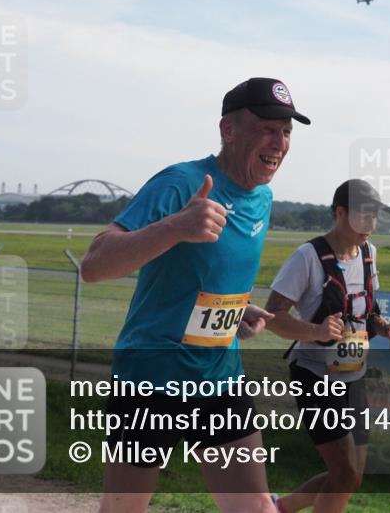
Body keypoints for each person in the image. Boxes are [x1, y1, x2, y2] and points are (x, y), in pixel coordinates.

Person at [80, 77, 310, 513]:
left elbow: (204, 278)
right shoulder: (181, 183)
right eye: (267, 128)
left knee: (256, 508)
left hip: (220, 375)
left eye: (286, 131)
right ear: (228, 130)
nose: (278, 142)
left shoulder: (262, 198)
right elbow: (93, 265)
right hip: (150, 380)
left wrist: (236, 311)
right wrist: (175, 227)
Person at [265, 179, 390, 513]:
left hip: (352, 376)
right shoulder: (308, 256)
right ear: (340, 213)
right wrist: (315, 330)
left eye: (375, 217)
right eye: (364, 216)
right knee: (344, 475)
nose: (371, 225)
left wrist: (387, 329)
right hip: (315, 376)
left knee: (351, 477)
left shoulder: (369, 255)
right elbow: (272, 315)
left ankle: (279, 508)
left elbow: (370, 311)